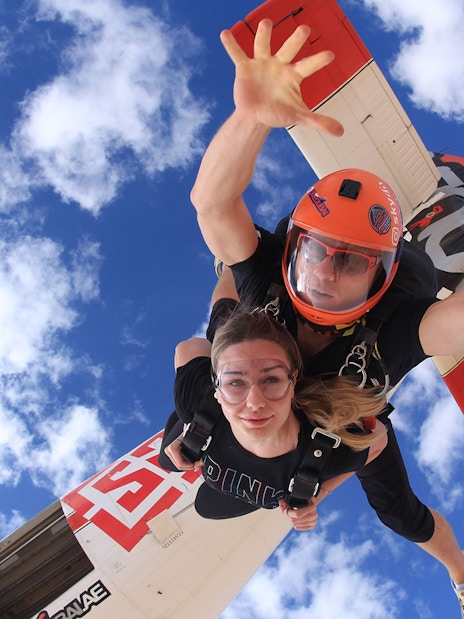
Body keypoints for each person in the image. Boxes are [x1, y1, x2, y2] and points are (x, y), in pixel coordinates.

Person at [189, 18, 464, 611]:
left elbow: (214, 207)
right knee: (230, 296)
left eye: (349, 263)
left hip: (353, 425)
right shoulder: (272, 272)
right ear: (296, 246)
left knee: (401, 516)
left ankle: (460, 573)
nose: (321, 273)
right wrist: (252, 120)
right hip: (334, 426)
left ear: (379, 278)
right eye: (314, 251)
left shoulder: (396, 322)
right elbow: (212, 205)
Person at [160, 307, 388, 530]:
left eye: (271, 380)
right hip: (216, 419)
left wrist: (315, 492)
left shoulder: (327, 453)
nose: (255, 402)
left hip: (252, 471)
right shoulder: (195, 401)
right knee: (166, 460)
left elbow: (379, 441)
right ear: (216, 387)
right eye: (235, 382)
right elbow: (191, 347)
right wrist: (193, 429)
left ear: (293, 383)